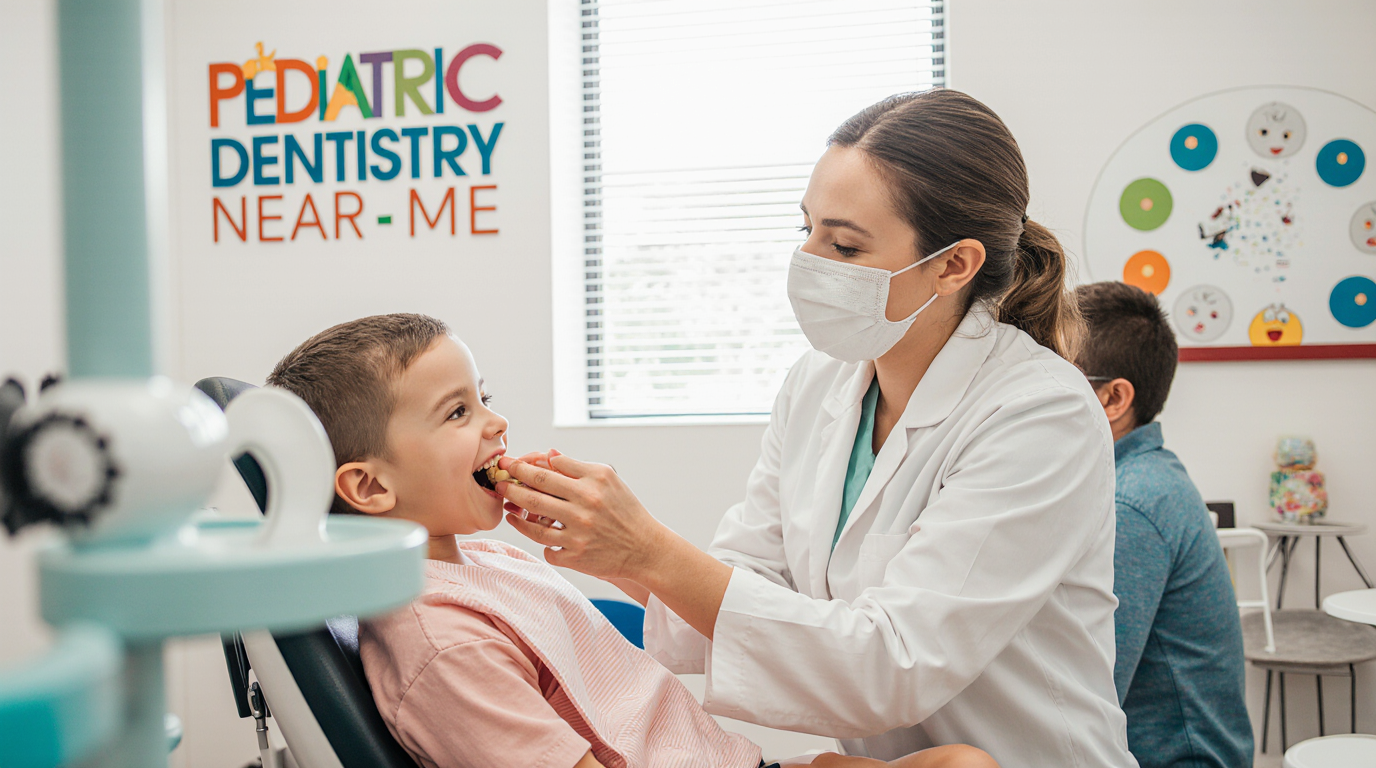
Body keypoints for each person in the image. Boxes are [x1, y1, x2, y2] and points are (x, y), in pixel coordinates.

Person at [495, 89, 1137, 768]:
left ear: (954, 264)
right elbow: (754, 590)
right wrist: (617, 552)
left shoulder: (1041, 413)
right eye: (807, 229)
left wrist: (647, 548)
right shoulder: (818, 385)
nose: (809, 260)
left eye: (845, 244)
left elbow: (893, 665)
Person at [265, 313, 999, 768]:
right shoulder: (441, 644)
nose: (495, 424)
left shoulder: (481, 557)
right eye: (457, 412)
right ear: (369, 488)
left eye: (485, 397)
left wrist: (615, 551)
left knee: (963, 764)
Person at [1074, 282, 1252, 768]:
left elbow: (1092, 691)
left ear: (1113, 400)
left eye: (1056, 376)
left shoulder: (1132, 504)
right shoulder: (1143, 474)